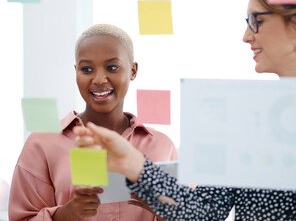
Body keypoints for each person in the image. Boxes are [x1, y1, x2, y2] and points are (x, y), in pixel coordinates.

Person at [73, 0, 296, 220]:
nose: (246, 36)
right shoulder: (244, 117)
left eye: (255, 21)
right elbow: (203, 212)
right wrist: (133, 163)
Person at [8, 24, 178, 221]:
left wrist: (168, 212)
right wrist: (68, 213)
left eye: (112, 67)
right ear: (76, 72)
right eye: (87, 69)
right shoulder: (42, 144)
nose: (98, 79)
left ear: (133, 71)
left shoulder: (162, 146)